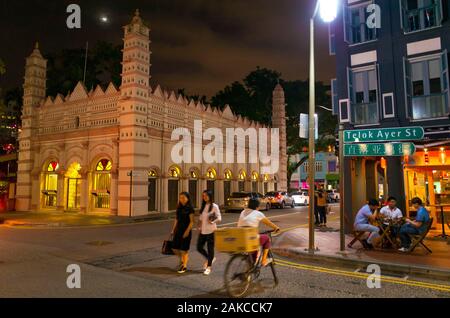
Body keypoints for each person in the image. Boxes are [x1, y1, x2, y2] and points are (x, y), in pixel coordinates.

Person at [237, 197, 280, 267]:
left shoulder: (243, 211)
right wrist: (276, 227)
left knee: (254, 247)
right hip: (250, 238)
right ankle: (264, 260)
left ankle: (248, 272)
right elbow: (268, 223)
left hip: (241, 237)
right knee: (266, 238)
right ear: (257, 206)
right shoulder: (258, 213)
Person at [197, 190, 222, 276]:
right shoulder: (203, 206)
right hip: (203, 230)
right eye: (203, 196)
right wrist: (199, 226)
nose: (204, 197)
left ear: (210, 196)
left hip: (211, 231)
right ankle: (210, 258)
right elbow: (201, 218)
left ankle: (209, 267)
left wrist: (212, 221)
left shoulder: (214, 206)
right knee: (199, 247)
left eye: (205, 196)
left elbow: (219, 218)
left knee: (210, 248)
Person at [171, 192, 195, 274]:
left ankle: (184, 266)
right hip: (178, 230)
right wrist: (173, 229)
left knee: (184, 250)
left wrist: (187, 231)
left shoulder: (190, 208)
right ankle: (183, 260)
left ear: (188, 198)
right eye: (180, 198)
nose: (182, 199)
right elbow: (176, 219)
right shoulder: (179, 208)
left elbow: (192, 222)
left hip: (186, 230)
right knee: (174, 248)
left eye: (183, 197)